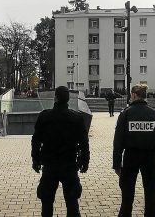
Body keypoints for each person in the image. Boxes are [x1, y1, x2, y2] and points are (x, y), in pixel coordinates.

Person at [31, 86, 90, 216]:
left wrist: (35, 161)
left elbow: (35, 141)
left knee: (47, 201)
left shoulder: (44, 116)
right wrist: (85, 162)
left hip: (49, 165)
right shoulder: (77, 118)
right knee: (72, 201)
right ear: (68, 99)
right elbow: (84, 143)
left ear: (55, 98)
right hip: (69, 165)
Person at [113, 84, 155, 217]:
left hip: (130, 157)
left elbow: (118, 142)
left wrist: (116, 164)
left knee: (127, 196)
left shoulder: (125, 113)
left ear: (134, 95)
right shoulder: (154, 114)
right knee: (151, 196)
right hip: (149, 158)